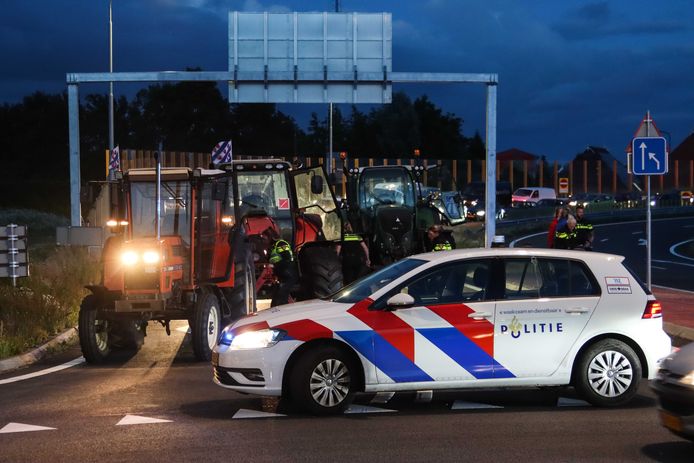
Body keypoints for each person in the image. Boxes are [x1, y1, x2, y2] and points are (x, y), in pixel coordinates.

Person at [269, 238, 299, 306]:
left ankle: (282, 309)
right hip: (283, 270)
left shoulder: (281, 244)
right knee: (279, 292)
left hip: (288, 270)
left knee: (282, 292)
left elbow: (287, 257)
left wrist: (275, 265)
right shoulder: (273, 246)